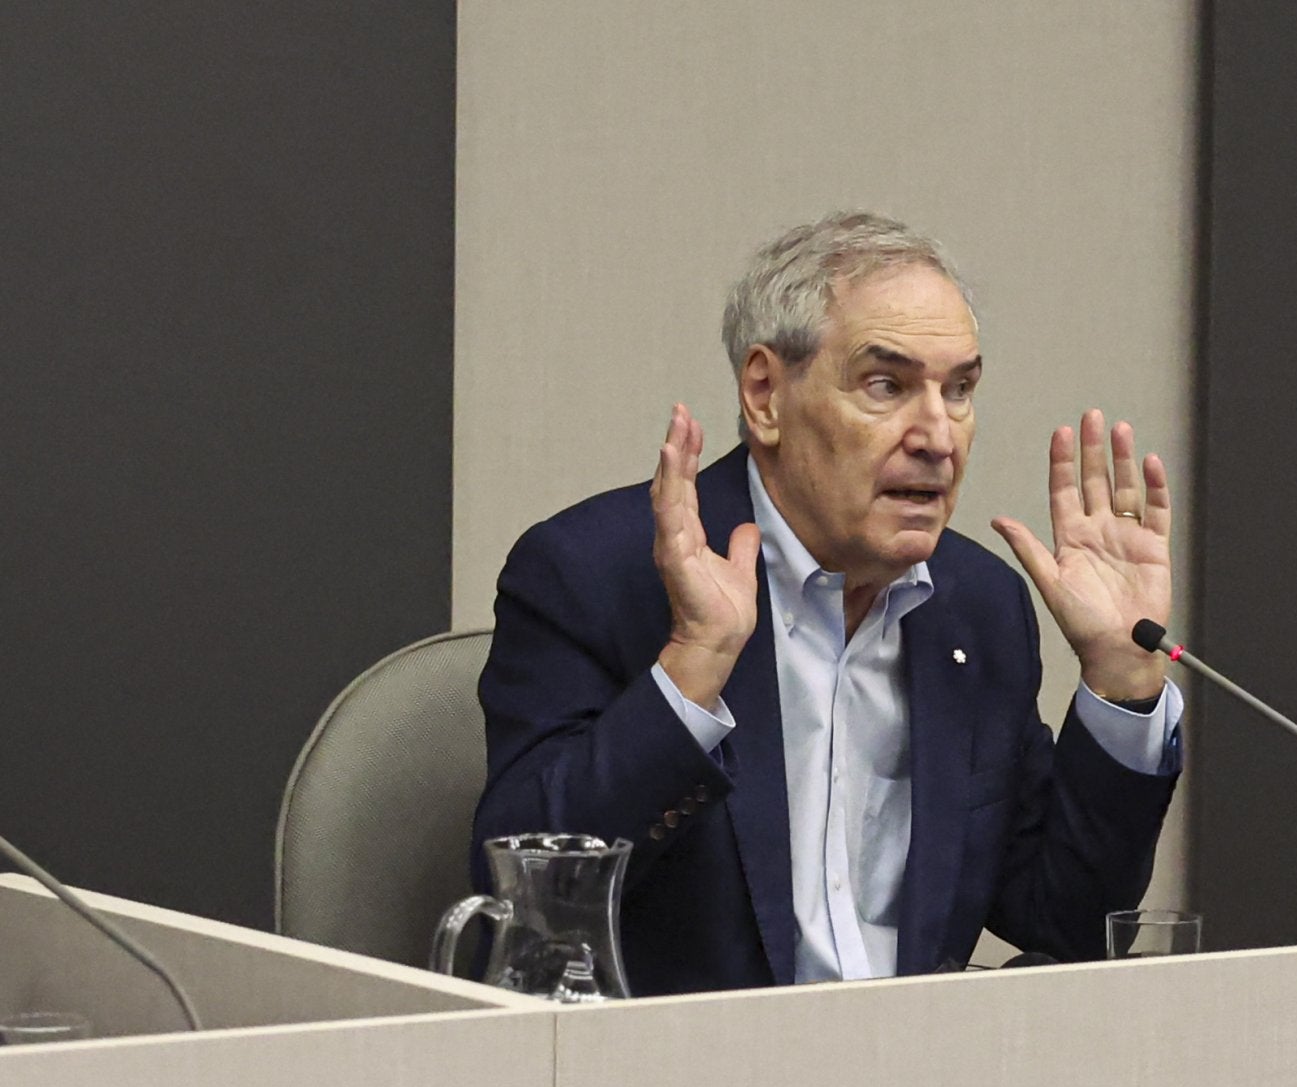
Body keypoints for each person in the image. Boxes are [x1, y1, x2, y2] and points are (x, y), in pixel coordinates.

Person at [472, 212, 1184, 996]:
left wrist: (1122, 678)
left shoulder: (977, 609)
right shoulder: (596, 574)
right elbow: (524, 908)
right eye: (887, 385)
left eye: (959, 390)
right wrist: (691, 671)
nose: (938, 436)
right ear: (766, 394)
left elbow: (1063, 920)